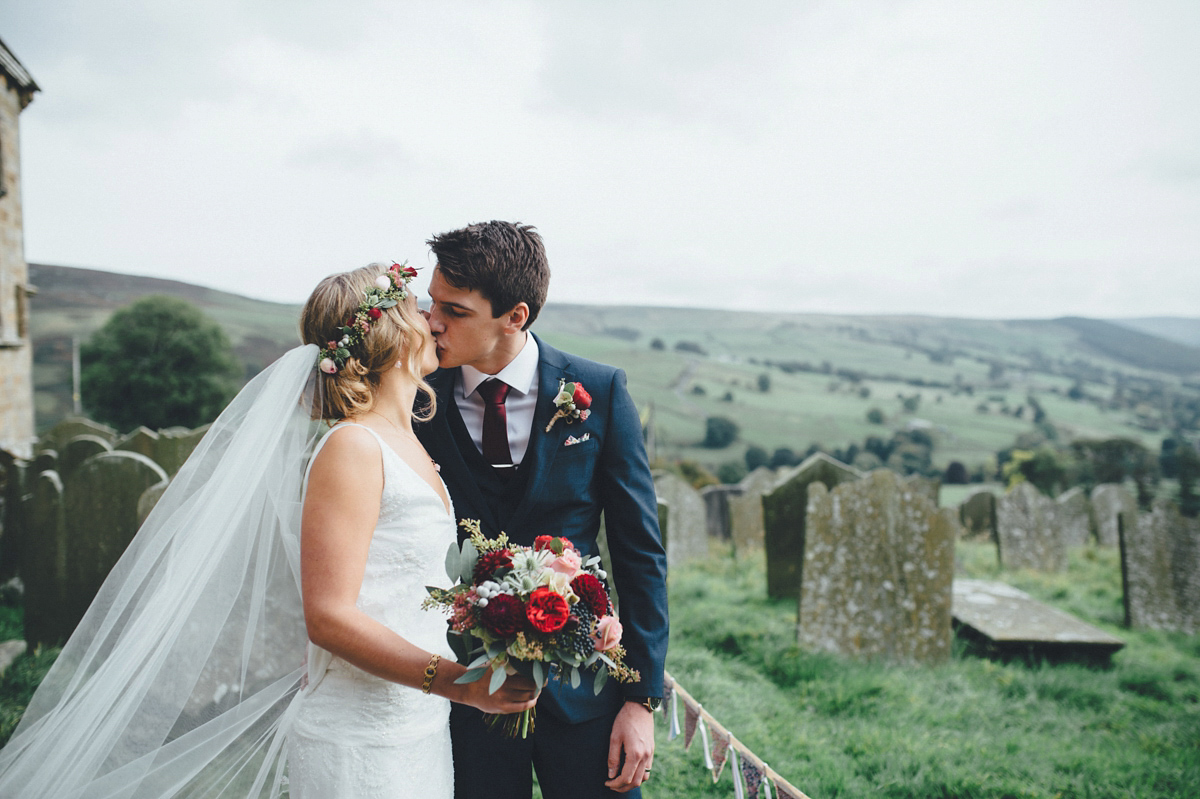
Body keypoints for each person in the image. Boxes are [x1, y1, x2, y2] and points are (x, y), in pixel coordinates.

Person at [0, 262, 536, 798]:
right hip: (358, 735)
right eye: (418, 308)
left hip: (415, 723)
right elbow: (329, 617)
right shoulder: (352, 448)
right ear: (390, 335)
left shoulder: (411, 443)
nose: (432, 320)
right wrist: (457, 686)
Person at [417, 221, 669, 798]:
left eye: (453, 310)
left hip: (587, 697)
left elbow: (639, 552)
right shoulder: (415, 397)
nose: (432, 322)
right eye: (431, 303)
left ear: (516, 316)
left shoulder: (598, 391)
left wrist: (641, 699)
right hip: (460, 693)